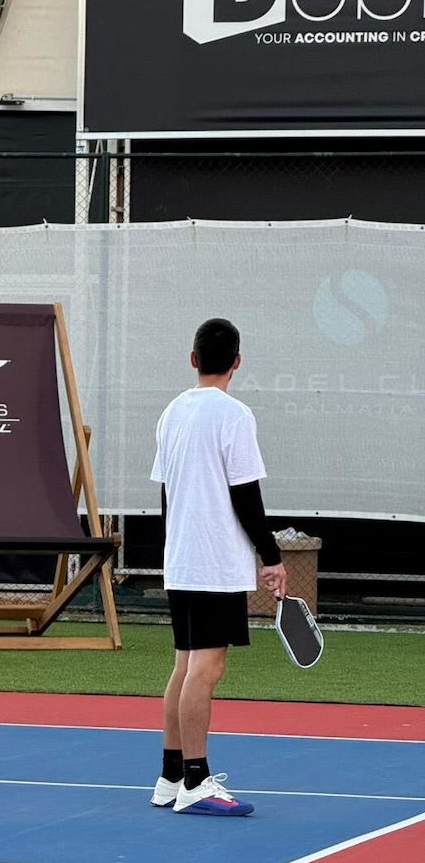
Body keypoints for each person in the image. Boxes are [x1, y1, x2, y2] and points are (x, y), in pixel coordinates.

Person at [149, 318, 286, 818]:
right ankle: (195, 780)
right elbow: (246, 495)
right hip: (212, 564)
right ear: (237, 363)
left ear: (194, 359)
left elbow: (167, 495)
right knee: (205, 669)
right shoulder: (234, 415)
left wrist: (176, 550)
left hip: (182, 560)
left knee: (185, 666)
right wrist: (272, 557)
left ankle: (170, 777)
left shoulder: (172, 412)